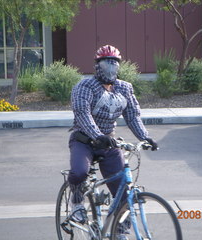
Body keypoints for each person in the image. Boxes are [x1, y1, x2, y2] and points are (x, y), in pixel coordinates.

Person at [68, 45, 158, 238]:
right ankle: (76, 203)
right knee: (79, 172)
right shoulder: (84, 87)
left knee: (123, 191)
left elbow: (133, 116)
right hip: (83, 140)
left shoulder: (124, 88)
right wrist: (96, 135)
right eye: (106, 63)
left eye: (114, 64)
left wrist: (145, 136)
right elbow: (83, 114)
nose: (110, 68)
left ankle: (120, 232)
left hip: (108, 143)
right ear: (97, 65)